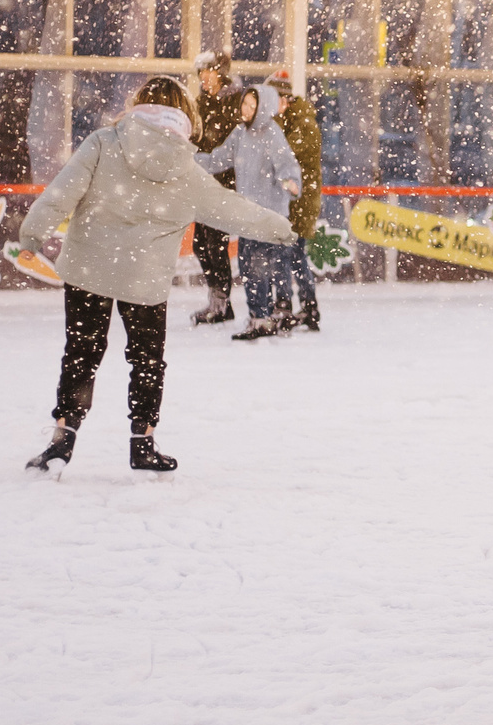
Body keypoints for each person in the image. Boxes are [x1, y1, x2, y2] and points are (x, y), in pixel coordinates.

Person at [17, 76, 297, 476]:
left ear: (138, 105)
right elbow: (233, 209)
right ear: (184, 114)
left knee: (81, 353)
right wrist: (281, 228)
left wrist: (33, 234)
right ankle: (142, 445)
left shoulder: (102, 142)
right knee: (147, 361)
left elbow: (62, 192)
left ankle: (62, 440)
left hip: (89, 271)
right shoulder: (187, 168)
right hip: (143, 281)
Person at [195, 83, 305, 340]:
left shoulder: (272, 134)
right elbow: (217, 159)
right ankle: (260, 317)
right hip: (248, 215)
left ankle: (262, 318)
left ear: (263, 109)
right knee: (248, 267)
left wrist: (291, 183)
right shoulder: (240, 134)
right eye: (244, 104)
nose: (245, 109)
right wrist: (190, 160)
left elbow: (287, 164)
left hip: (268, 215)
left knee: (260, 267)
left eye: (251, 106)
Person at [187, 50, 242, 326]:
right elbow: (196, 137)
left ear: (221, 73)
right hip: (203, 183)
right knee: (200, 244)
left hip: (223, 184)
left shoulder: (234, 102)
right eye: (201, 73)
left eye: (208, 72)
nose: (204, 78)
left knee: (215, 244)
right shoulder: (201, 103)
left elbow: (233, 147)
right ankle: (218, 300)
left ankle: (221, 304)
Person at [269, 71, 325, 333]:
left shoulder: (302, 123)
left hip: (298, 202)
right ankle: (306, 305)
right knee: (292, 255)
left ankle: (287, 305)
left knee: (286, 254)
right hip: (292, 200)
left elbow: (284, 155)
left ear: (284, 99)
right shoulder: (291, 121)